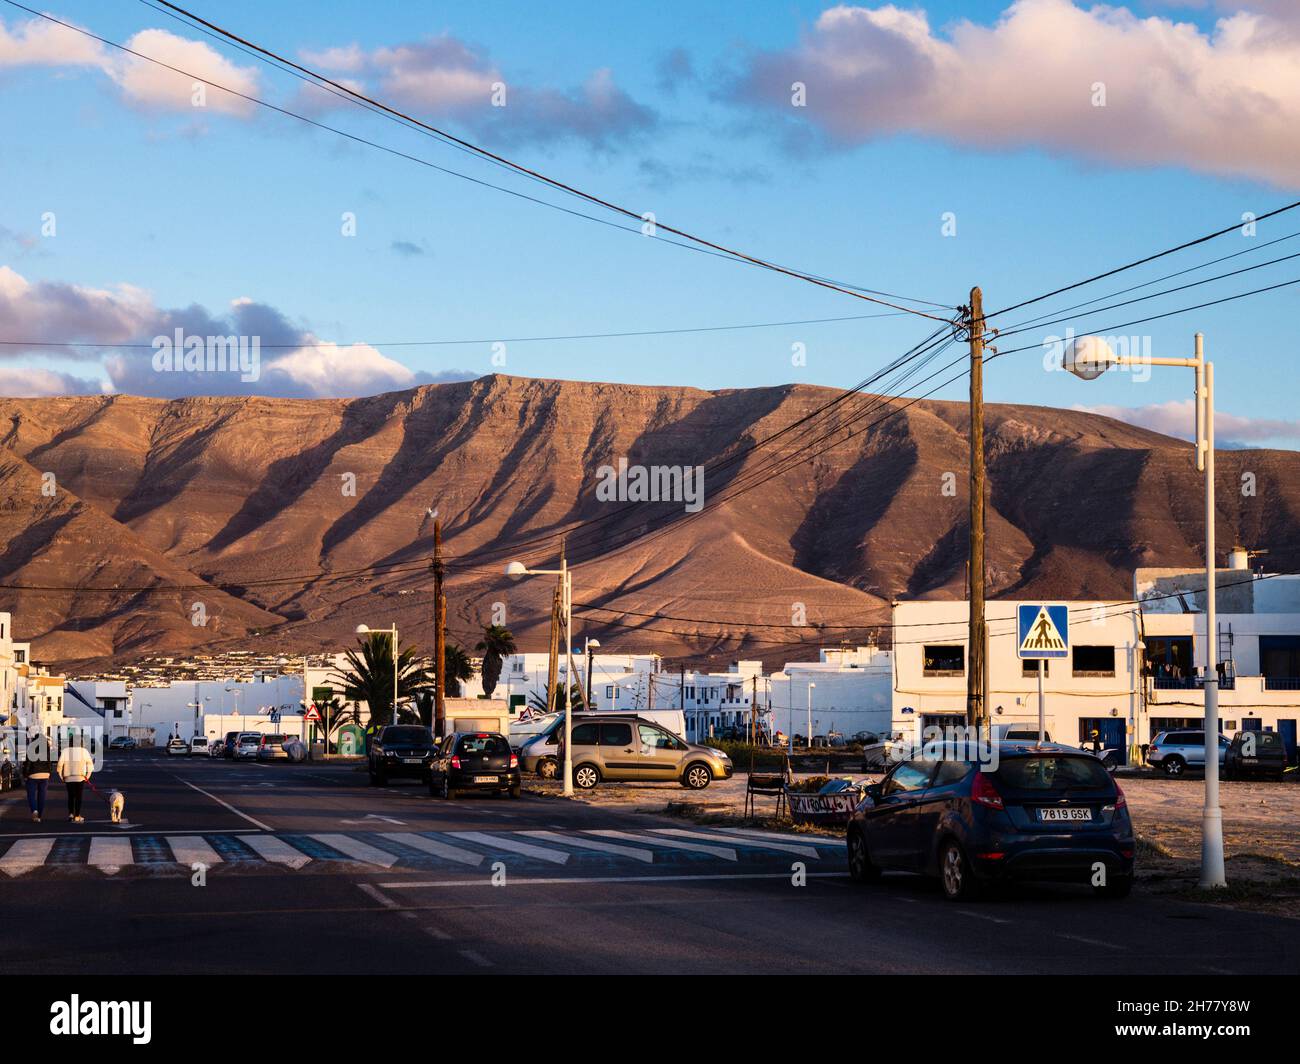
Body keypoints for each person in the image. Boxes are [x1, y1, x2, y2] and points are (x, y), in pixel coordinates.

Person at [56, 735, 95, 823]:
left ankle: (70, 814)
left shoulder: (65, 751)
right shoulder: (84, 751)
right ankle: (77, 815)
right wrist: (87, 776)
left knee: (71, 796)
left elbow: (60, 764)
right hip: (80, 777)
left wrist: (61, 776)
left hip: (68, 777)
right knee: (78, 797)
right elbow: (90, 765)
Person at [22, 729, 52, 823]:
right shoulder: (46, 749)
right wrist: (49, 773)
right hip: (45, 774)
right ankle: (39, 815)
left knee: (31, 794)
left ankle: (34, 810)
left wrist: (25, 775)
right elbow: (49, 763)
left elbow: (28, 763)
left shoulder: (31, 748)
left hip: (33, 774)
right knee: (42, 795)